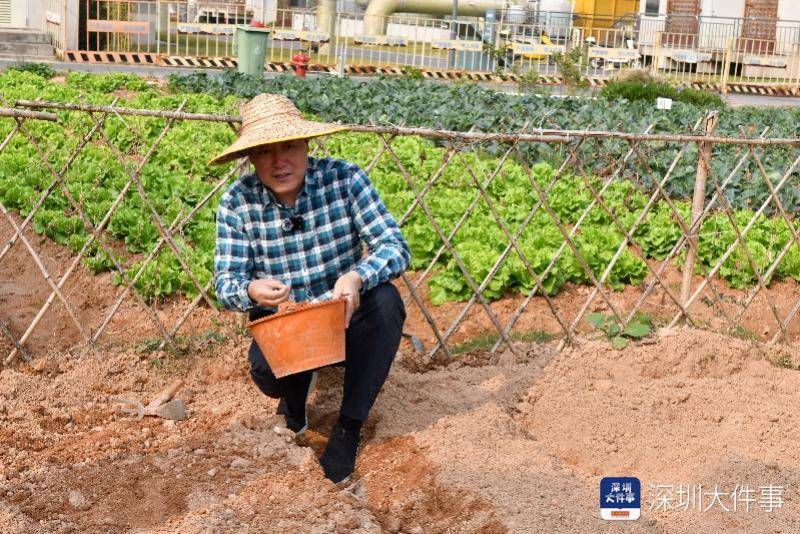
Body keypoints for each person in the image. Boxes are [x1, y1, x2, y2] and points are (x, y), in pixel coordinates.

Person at [211, 93, 410, 484]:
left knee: (386, 302)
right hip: (288, 323)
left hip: (343, 315)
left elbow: (394, 247)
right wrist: (251, 289)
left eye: (288, 146)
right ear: (251, 159)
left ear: (307, 145)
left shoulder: (345, 179)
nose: (278, 161)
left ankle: (348, 427)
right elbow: (225, 283)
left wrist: (356, 277)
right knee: (266, 372)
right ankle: (294, 403)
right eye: (265, 151)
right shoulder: (238, 203)